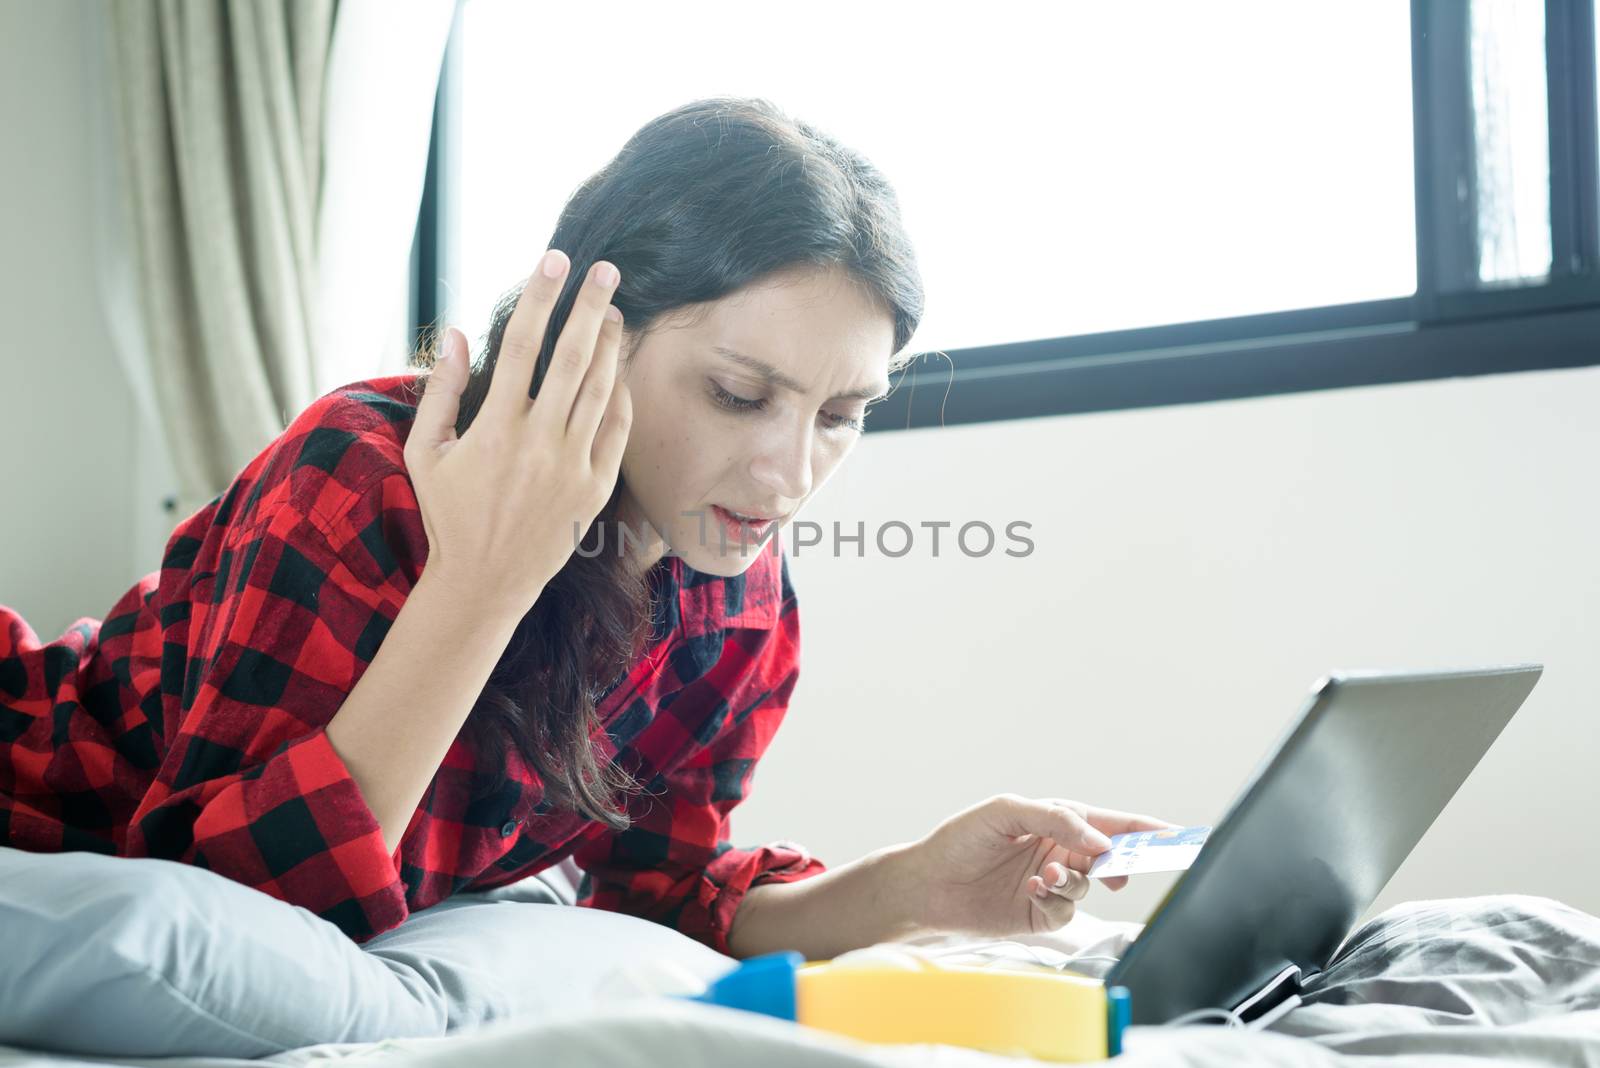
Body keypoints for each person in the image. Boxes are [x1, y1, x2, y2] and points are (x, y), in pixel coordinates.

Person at [0, 96, 1171, 961]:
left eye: (842, 414)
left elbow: (658, 891)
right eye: (737, 394)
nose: (790, 472)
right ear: (586, 340)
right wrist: (485, 579)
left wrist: (917, 886)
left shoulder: (736, 598)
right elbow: (234, 916)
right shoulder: (365, 476)